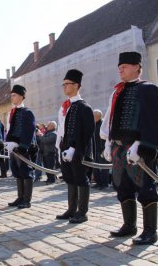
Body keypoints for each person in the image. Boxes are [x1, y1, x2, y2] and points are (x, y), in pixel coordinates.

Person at [101, 51, 158, 245]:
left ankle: (150, 231)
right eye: (119, 67)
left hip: (137, 148)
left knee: (146, 188)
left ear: (137, 66)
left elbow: (152, 122)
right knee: (123, 188)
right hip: (119, 149)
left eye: (125, 66)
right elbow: (110, 120)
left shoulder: (149, 89)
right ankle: (129, 226)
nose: (121, 70)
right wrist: (108, 142)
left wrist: (141, 145)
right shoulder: (117, 91)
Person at [55, 69, 95, 223]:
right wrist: (60, 147)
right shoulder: (64, 107)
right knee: (69, 178)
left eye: (67, 84)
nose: (64, 87)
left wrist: (74, 148)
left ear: (76, 85)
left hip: (78, 150)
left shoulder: (84, 107)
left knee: (81, 179)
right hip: (65, 147)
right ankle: (71, 209)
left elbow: (87, 132)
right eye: (63, 84)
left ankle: (82, 211)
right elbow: (61, 129)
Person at [5, 85, 36, 209]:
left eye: (14, 95)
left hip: (23, 148)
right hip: (13, 147)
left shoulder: (27, 112)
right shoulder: (12, 112)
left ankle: (26, 200)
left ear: (22, 97)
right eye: (11, 95)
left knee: (26, 172)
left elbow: (29, 130)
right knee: (17, 172)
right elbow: (11, 130)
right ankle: (20, 197)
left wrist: (22, 145)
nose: (12, 97)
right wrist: (8, 142)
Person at [92, 110, 110, 189]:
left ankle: (104, 184)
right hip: (95, 150)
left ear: (99, 116)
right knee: (95, 167)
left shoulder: (103, 125)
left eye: (94, 116)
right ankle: (98, 183)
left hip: (102, 149)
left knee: (103, 168)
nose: (93, 117)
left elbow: (106, 138)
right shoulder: (93, 125)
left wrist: (105, 149)